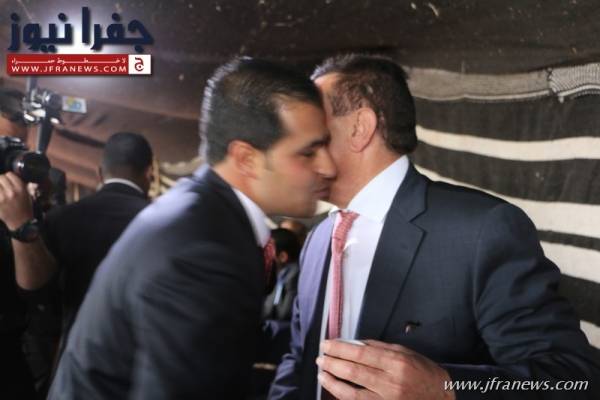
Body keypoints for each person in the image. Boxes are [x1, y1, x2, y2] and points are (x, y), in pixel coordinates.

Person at [269, 54, 600, 400]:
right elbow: (300, 358)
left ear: (359, 127)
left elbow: (571, 380)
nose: (294, 140)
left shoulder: (482, 230)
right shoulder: (318, 239)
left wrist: (446, 388)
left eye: (311, 124)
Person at [48, 57, 336, 399]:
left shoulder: (202, 214)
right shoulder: (204, 249)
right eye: (308, 153)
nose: (328, 166)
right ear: (247, 159)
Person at [40, 132, 154, 338]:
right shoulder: (161, 221)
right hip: (142, 342)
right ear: (149, 173)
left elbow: (44, 293)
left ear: (99, 173)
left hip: (78, 342)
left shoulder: (60, 218)